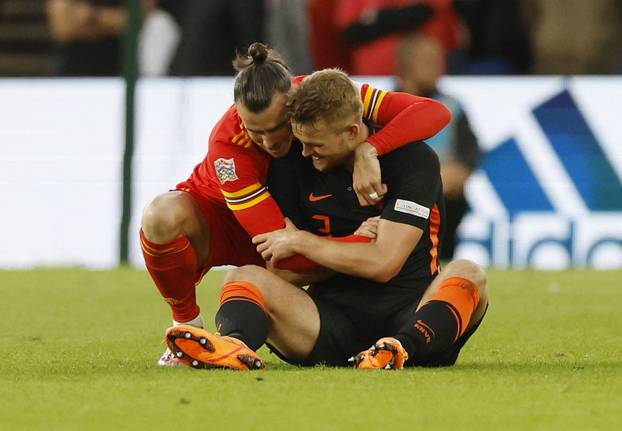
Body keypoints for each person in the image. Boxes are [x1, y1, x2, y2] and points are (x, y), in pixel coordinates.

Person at [141, 43, 452, 366]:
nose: (269, 142)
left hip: (285, 220)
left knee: (255, 274)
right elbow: (287, 261)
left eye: (277, 127)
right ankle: (186, 324)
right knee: (162, 215)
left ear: (293, 105)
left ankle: (234, 343)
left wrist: (369, 149)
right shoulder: (229, 150)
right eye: (255, 132)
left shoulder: (320, 98)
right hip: (235, 220)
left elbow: (434, 111)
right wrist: (355, 242)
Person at [397, 33, 481, 259]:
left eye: (438, 61)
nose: (437, 68)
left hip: (444, 198)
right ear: (407, 65)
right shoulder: (384, 107)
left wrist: (457, 173)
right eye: (428, 61)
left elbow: (470, 155)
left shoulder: (453, 107)